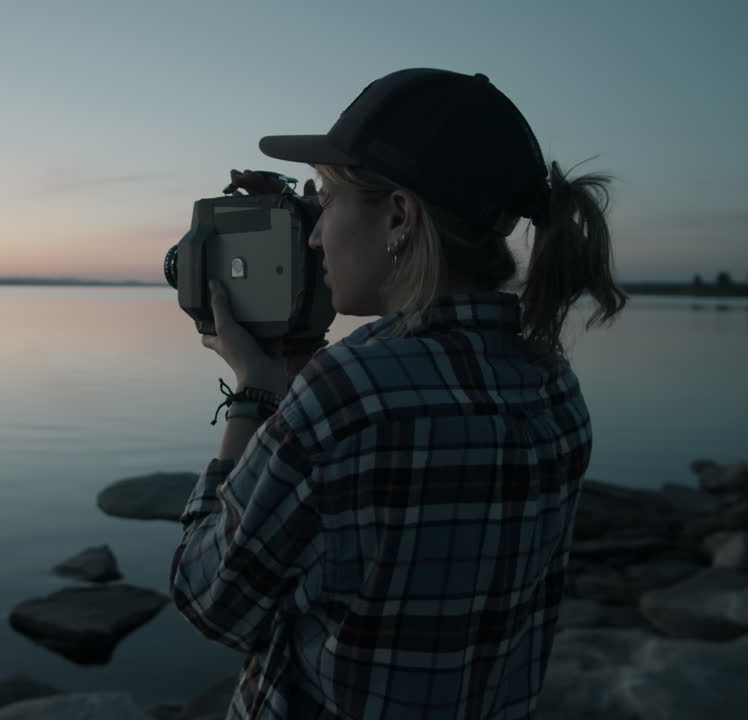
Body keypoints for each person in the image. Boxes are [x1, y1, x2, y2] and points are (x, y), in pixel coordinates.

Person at [169, 68, 626, 719]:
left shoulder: (352, 391)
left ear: (399, 215)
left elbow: (208, 599)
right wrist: (299, 360)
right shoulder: (549, 379)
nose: (316, 234)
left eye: (326, 199)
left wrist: (256, 396)